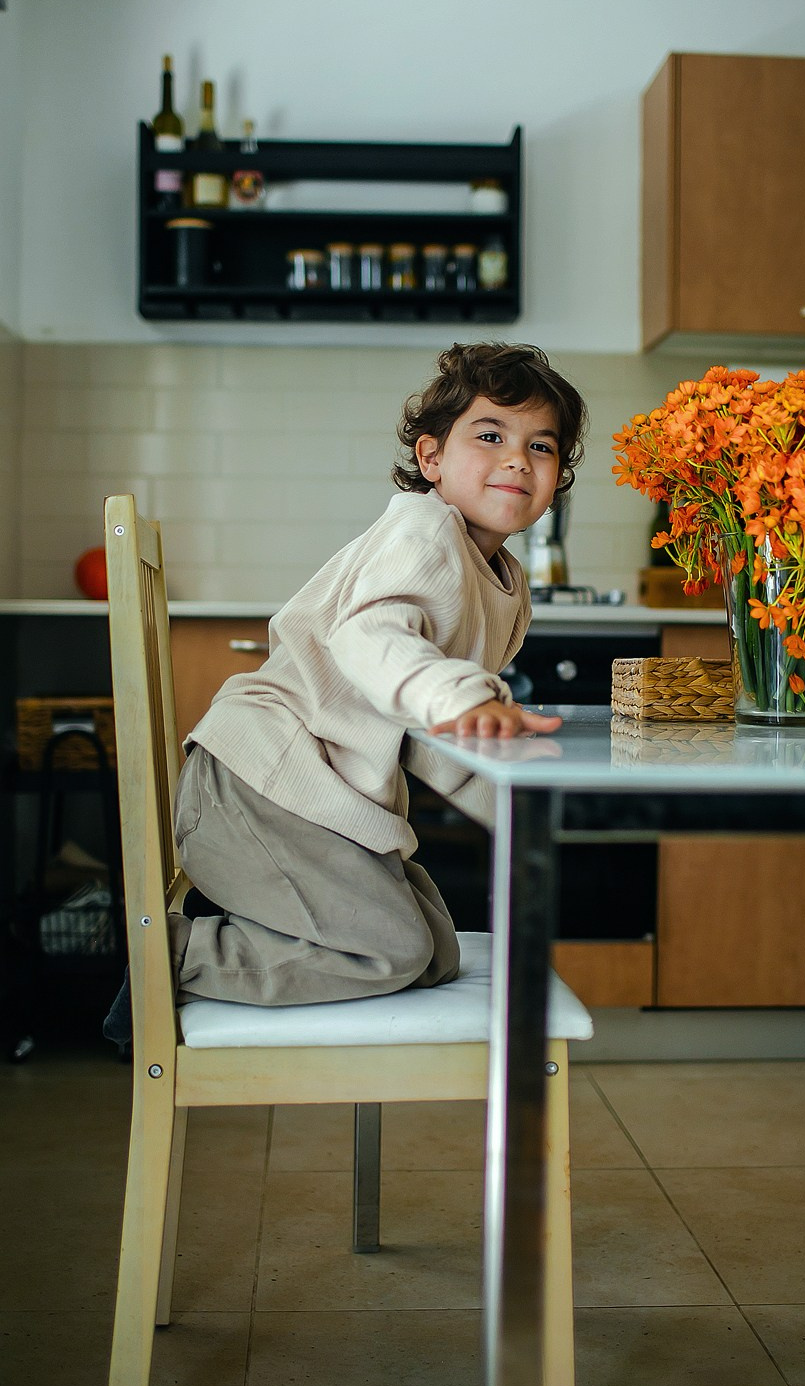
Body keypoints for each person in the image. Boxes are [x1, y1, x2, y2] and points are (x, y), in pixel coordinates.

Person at [103, 342, 587, 1042]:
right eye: (490, 436)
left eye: (541, 446)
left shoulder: (506, 584)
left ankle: (274, 936)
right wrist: (460, 699)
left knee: (435, 955)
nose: (518, 459)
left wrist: (516, 798)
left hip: (314, 804)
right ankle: (172, 955)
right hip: (258, 787)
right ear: (432, 460)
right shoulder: (425, 529)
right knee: (391, 950)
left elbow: (427, 734)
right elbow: (370, 639)